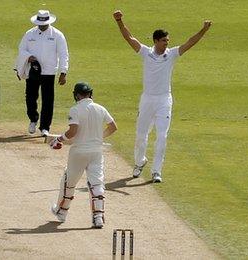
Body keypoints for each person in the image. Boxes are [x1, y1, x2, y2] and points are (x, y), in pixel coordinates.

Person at [112, 10, 212, 183]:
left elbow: (190, 42)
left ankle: (156, 171)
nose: (167, 43)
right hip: (147, 99)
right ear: (156, 41)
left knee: (162, 136)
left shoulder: (172, 54)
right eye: (164, 40)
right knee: (141, 135)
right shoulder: (145, 52)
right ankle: (139, 162)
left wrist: (203, 30)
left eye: (168, 40)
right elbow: (129, 38)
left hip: (164, 100)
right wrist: (119, 20)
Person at [49, 82, 117, 229]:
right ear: (90, 94)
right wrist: (99, 137)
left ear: (77, 95)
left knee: (69, 182)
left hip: (78, 152)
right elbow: (113, 127)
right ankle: (98, 217)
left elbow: (73, 131)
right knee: (97, 183)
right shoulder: (100, 108)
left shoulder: (75, 109)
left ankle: (62, 212)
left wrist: (59, 139)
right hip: (96, 152)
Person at [15, 9, 69, 136]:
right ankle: (33, 119)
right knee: (30, 97)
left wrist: (63, 72)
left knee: (48, 100)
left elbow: (63, 54)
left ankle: (45, 127)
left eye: (43, 24)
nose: (41, 26)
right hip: (33, 70)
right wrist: (29, 57)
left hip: (49, 72)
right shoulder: (30, 34)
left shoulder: (57, 35)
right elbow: (21, 49)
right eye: (39, 23)